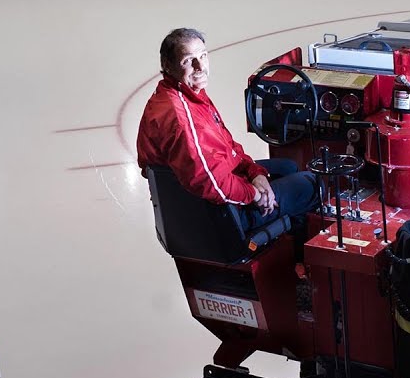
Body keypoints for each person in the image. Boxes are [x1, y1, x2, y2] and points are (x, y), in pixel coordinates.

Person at [136, 28, 318, 234]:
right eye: (188, 60)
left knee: (287, 168)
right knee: (310, 184)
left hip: (207, 194)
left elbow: (226, 145)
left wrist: (254, 172)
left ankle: (282, 238)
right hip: (217, 214)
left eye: (203, 56)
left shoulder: (186, 95)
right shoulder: (181, 117)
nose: (200, 66)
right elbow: (208, 181)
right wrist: (255, 195)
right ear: (167, 66)